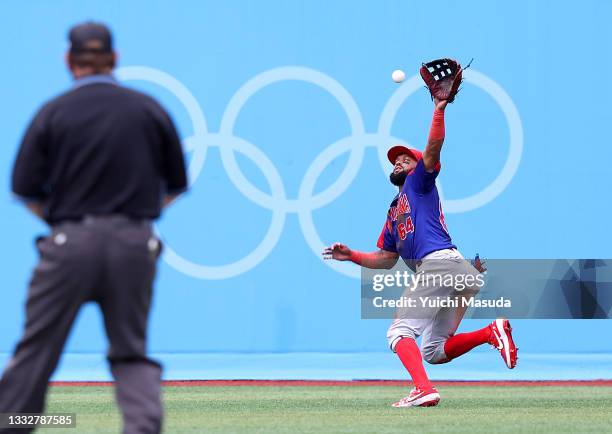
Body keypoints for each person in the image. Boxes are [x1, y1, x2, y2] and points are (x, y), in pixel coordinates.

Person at [0, 22, 187, 433]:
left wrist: (62, 222)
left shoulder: (53, 112)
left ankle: (11, 425)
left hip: (69, 242)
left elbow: (23, 189)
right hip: (134, 242)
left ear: (69, 61)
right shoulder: (147, 108)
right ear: (115, 59)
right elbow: (176, 184)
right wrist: (140, 216)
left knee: (37, 352)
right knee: (130, 354)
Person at [323, 96, 517, 408]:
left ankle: (423, 389)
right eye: (395, 161)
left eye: (406, 159)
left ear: (417, 168)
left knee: (399, 332)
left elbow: (432, 150)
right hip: (458, 272)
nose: (399, 162)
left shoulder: (419, 184)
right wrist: (353, 256)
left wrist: (439, 110)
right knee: (434, 351)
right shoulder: (394, 210)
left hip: (440, 264)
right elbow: (386, 260)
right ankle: (490, 332)